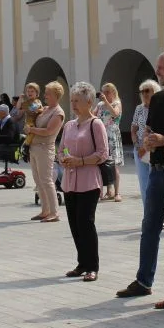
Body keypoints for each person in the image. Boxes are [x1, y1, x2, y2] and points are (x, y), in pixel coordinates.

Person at [116, 51, 164, 298]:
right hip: (158, 172)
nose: (157, 70)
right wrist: (149, 141)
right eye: (157, 66)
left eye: (162, 66)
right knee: (149, 226)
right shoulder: (158, 98)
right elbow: (151, 130)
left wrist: (163, 140)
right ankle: (143, 280)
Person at [58, 82, 109, 282]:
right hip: (70, 181)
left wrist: (80, 161)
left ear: (89, 102)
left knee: (86, 223)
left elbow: (103, 154)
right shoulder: (69, 125)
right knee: (74, 224)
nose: (73, 105)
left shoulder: (96, 124)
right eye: (71, 101)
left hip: (89, 181)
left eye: (77, 101)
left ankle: (92, 266)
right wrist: (62, 158)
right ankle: (81, 263)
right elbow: (61, 148)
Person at [27, 82, 65, 222]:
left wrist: (31, 130)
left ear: (56, 95)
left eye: (48, 93)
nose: (45, 96)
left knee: (47, 180)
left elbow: (49, 131)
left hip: (45, 148)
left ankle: (54, 212)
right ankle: (45, 210)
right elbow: (28, 112)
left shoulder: (58, 112)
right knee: (38, 181)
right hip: (34, 147)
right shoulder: (45, 109)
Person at [130, 80, 159, 208]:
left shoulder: (160, 107)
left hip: (155, 149)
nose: (144, 94)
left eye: (147, 91)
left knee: (156, 183)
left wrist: (145, 147)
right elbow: (133, 129)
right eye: (142, 91)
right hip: (140, 150)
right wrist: (137, 145)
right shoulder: (139, 109)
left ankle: (158, 215)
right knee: (144, 182)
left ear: (155, 91)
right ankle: (148, 213)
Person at [93, 83, 123, 202]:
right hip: (101, 135)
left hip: (112, 135)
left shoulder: (117, 103)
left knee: (113, 165)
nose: (104, 94)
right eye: (103, 92)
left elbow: (115, 114)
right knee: (102, 164)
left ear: (113, 92)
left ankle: (117, 193)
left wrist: (106, 102)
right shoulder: (100, 105)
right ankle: (105, 191)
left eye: (107, 92)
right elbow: (92, 115)